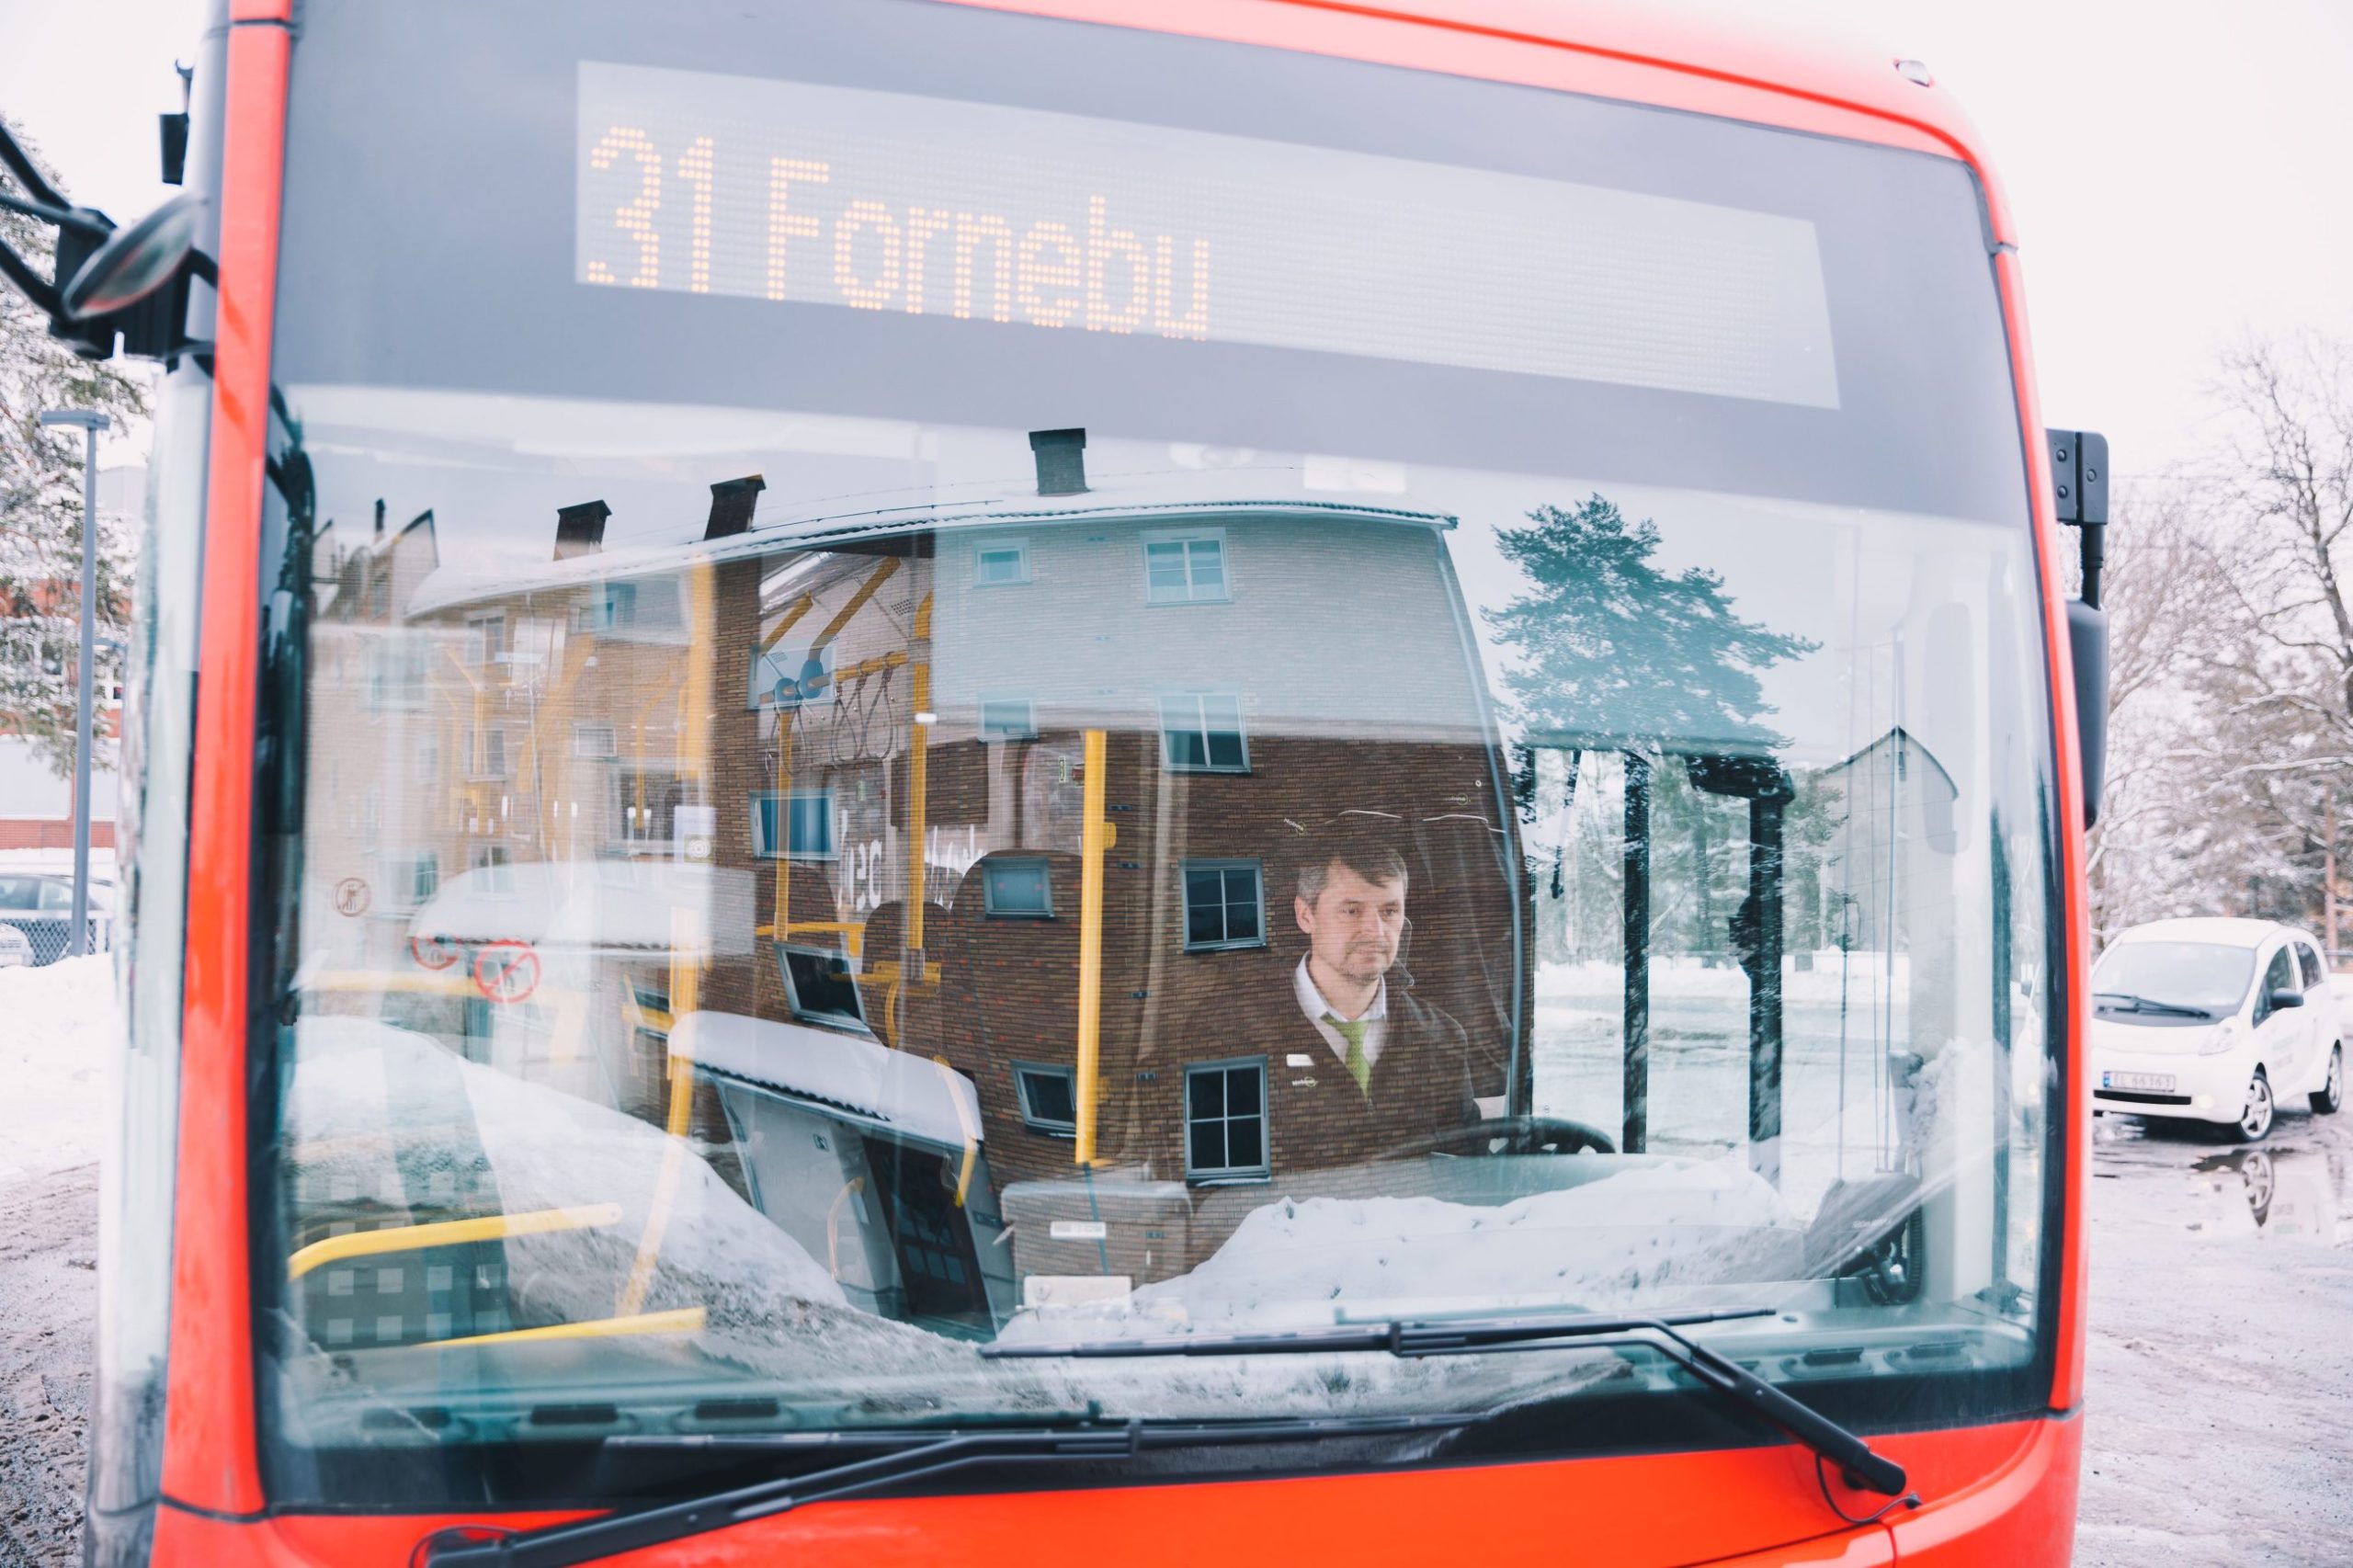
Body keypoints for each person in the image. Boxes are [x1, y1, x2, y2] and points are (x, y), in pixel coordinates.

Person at [1176, 831, 1503, 1176]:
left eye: (1389, 911)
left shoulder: (1441, 1037)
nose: (1375, 931)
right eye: (1352, 910)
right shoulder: (1227, 1033)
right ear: (1306, 916)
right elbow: (1208, 1182)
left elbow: (1470, 1175)